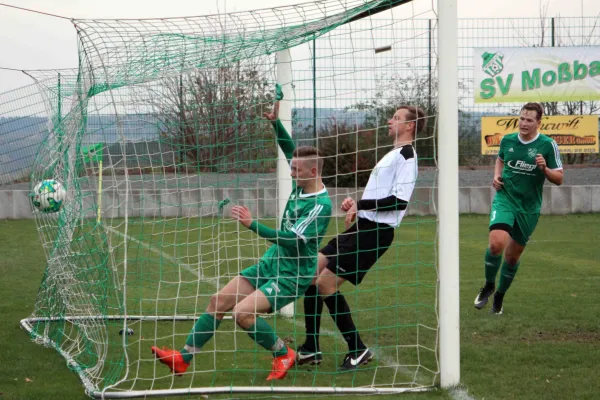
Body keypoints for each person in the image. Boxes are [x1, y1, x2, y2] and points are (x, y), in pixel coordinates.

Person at [151, 91, 332, 381]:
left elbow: (290, 239)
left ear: (313, 172)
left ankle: (283, 353)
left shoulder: (320, 206)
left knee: (243, 314)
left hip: (292, 275)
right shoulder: (302, 183)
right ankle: (183, 359)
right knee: (218, 301)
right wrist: (275, 124)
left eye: (297, 170)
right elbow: (290, 150)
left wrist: (252, 224)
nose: (292, 172)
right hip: (272, 263)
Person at [297, 105, 427, 370]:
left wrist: (359, 203)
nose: (390, 120)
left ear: (410, 126)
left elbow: (399, 202)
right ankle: (311, 348)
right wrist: (359, 207)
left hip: (375, 234)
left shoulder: (407, 156)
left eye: (397, 118)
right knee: (310, 275)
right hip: (363, 228)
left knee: (325, 285)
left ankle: (358, 349)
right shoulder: (393, 154)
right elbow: (380, 197)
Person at [474, 102, 563, 314]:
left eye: (529, 120)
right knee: (497, 244)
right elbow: (501, 160)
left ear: (538, 123)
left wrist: (544, 169)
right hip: (505, 198)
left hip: (529, 207)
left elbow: (559, 178)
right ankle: (488, 285)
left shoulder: (548, 145)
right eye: (521, 118)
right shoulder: (508, 140)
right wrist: (496, 176)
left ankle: (500, 297)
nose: (523, 123)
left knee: (512, 257)